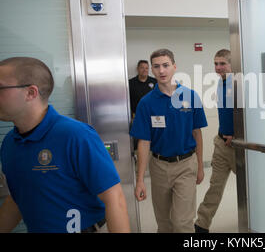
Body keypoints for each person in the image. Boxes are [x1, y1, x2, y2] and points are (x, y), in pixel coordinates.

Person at [0, 57, 130, 233]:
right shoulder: (10, 143)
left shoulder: (75, 135)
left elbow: (114, 198)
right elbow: (17, 199)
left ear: (31, 93)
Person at [131, 48, 208, 233]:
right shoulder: (146, 103)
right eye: (156, 67)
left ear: (174, 66)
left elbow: (197, 133)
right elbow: (143, 142)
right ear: (151, 70)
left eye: (166, 65)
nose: (162, 71)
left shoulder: (191, 96)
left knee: (183, 223)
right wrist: (140, 180)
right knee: (164, 223)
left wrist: (199, 166)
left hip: (186, 164)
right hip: (159, 167)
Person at [195, 49, 236, 233]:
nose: (218, 67)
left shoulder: (239, 85)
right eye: (216, 63)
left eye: (222, 63)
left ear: (231, 64)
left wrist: (237, 134)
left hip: (238, 146)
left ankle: (257, 221)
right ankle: (201, 225)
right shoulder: (220, 83)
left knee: (251, 188)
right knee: (215, 186)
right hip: (220, 144)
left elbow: (249, 115)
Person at [129, 60, 157, 151]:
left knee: (154, 140)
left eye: (146, 68)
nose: (144, 70)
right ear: (138, 69)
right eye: (142, 68)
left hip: (154, 117)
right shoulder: (130, 83)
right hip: (137, 117)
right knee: (140, 141)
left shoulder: (155, 82)